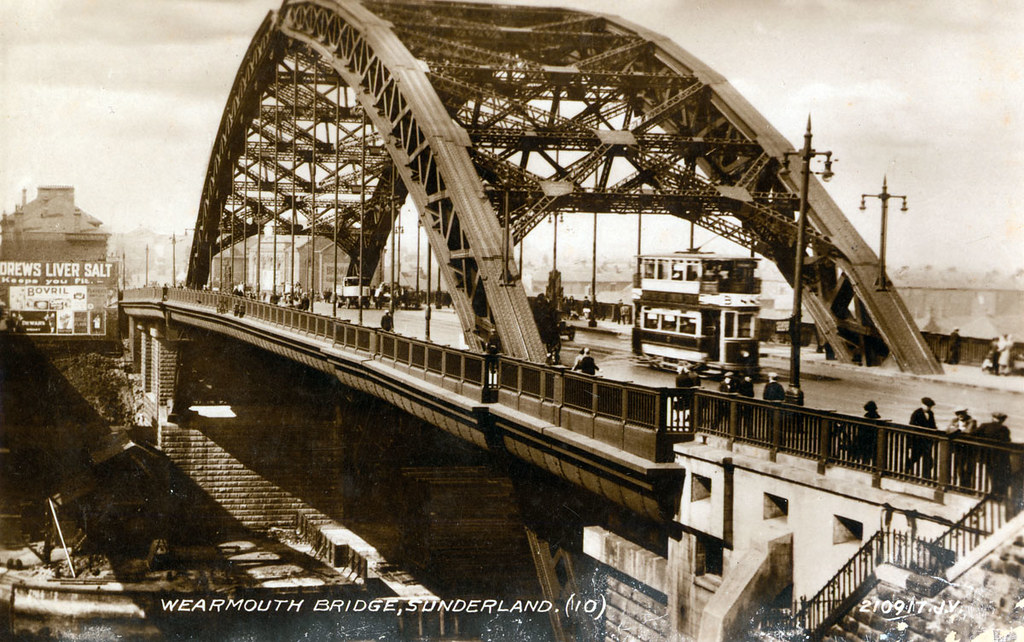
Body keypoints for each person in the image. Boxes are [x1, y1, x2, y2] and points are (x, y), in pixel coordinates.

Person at [975, 411, 1011, 497]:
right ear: (1002, 420)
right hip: (999, 456)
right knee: (999, 475)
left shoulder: (985, 426)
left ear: (993, 418)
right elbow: (1007, 441)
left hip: (986, 455)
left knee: (991, 474)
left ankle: (992, 493)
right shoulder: (1004, 429)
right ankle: (998, 494)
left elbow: (974, 435)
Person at [906, 397, 937, 477]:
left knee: (928, 459)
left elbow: (933, 426)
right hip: (917, 441)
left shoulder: (930, 414)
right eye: (927, 406)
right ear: (922, 405)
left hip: (926, 441)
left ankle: (926, 476)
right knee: (915, 457)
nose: (929, 408)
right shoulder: (916, 413)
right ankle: (907, 470)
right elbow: (912, 426)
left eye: (930, 406)